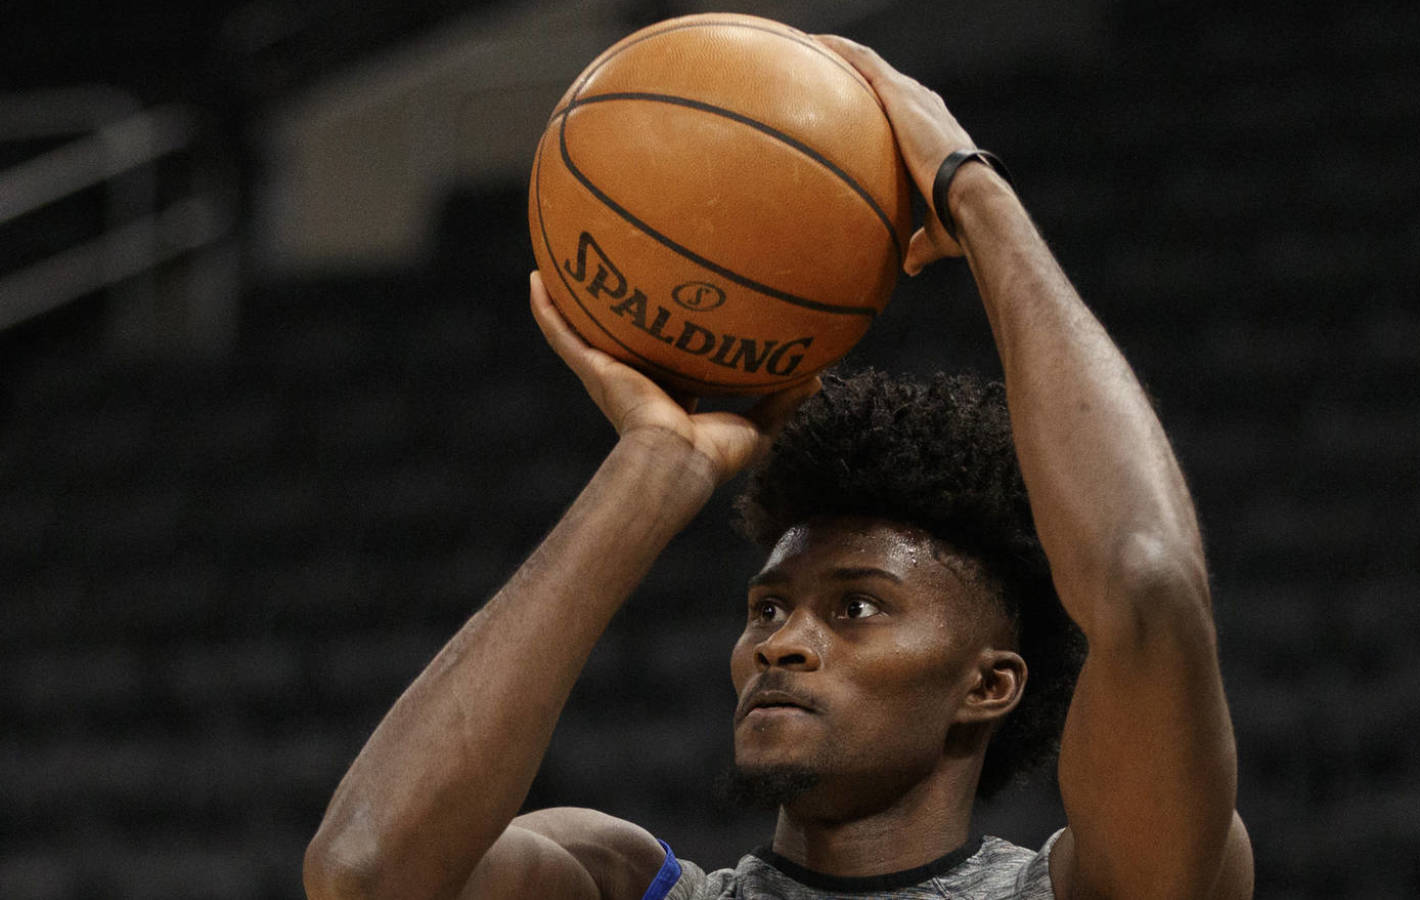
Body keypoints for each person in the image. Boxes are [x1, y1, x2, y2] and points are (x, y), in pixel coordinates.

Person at [303, 34, 1253, 900]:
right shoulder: (624, 882)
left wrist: (977, 197)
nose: (780, 645)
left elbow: (1149, 584)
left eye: (856, 607)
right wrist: (656, 466)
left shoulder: (1094, 889)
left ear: (987, 684)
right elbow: (365, 872)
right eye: (768, 608)